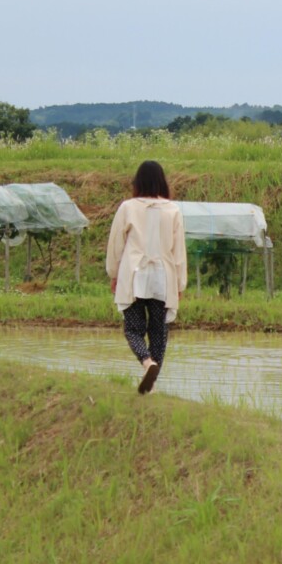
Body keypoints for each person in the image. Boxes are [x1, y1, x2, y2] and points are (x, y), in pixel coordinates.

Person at [106, 160, 187, 394]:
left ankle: (146, 362)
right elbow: (178, 251)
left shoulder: (128, 207)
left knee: (133, 328)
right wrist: (180, 283)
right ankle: (151, 385)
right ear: (162, 181)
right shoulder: (173, 210)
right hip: (163, 276)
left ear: (137, 182)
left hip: (134, 274)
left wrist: (113, 273)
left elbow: (116, 245)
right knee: (159, 331)